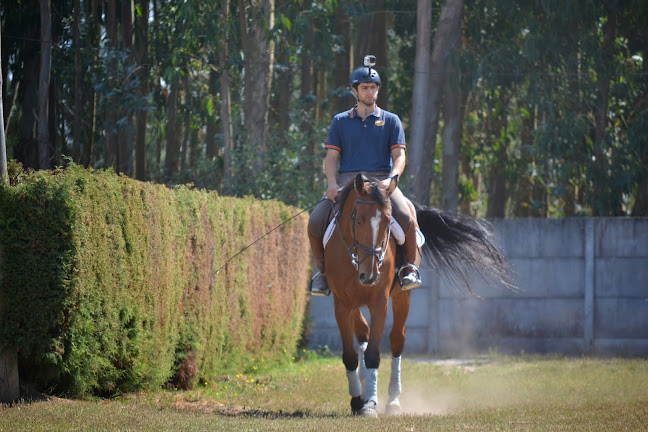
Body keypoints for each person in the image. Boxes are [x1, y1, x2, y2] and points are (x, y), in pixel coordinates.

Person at [308, 56, 422, 296]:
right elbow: (330, 158)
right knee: (316, 220)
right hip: (348, 180)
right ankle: (323, 275)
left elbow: (399, 156)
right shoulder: (340, 122)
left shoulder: (391, 120)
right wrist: (331, 184)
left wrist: (392, 178)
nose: (370, 92)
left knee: (406, 216)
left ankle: (409, 269)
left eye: (373, 88)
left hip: (383, 179)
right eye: (365, 88)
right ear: (354, 91)